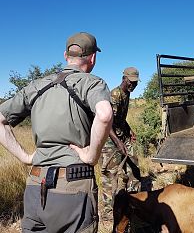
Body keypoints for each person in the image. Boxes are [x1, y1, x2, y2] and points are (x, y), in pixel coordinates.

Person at [0, 32, 113, 232]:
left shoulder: (36, 86)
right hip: (74, 186)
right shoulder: (92, 83)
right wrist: (91, 155)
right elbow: (104, 114)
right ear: (93, 57)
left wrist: (25, 157)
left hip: (35, 186)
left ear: (65, 55)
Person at [100, 67, 140, 219]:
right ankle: (109, 214)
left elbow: (120, 118)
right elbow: (107, 122)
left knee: (133, 167)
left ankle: (135, 201)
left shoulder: (127, 94)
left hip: (122, 136)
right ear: (124, 79)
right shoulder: (115, 94)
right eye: (131, 82)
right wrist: (117, 141)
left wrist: (129, 130)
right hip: (110, 140)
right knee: (111, 176)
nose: (133, 86)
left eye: (136, 83)